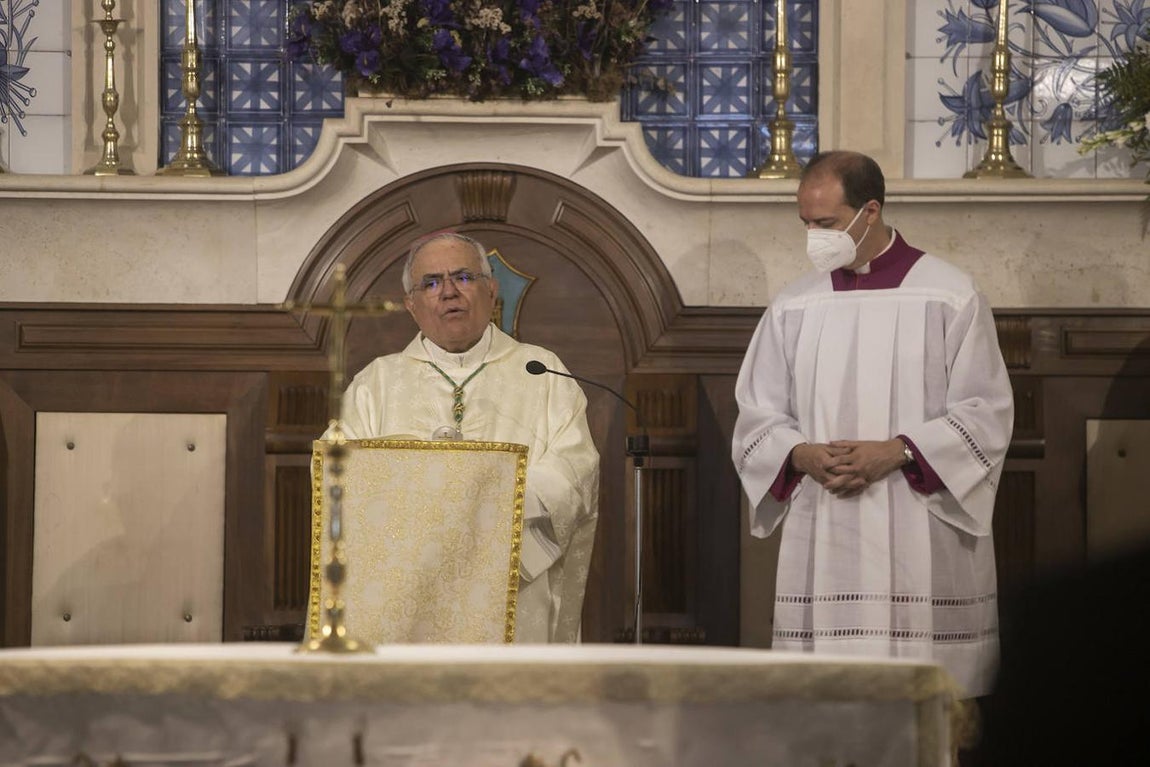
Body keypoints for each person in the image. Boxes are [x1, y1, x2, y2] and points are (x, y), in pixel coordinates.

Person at [731, 150, 1014, 698]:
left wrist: (900, 450)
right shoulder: (794, 306)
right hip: (825, 519)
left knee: (925, 707)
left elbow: (987, 412)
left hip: (918, 522)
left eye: (827, 224)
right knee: (828, 705)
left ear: (870, 211)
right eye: (805, 224)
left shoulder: (949, 294)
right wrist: (799, 455)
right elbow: (757, 414)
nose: (814, 236)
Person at [337, 231, 600, 643]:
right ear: (411, 304)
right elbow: (343, 481)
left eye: (463, 277)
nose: (448, 292)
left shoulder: (542, 371)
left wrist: (487, 504)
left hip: (511, 571)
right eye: (431, 282)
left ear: (491, 289)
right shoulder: (377, 383)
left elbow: (575, 469)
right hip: (408, 581)